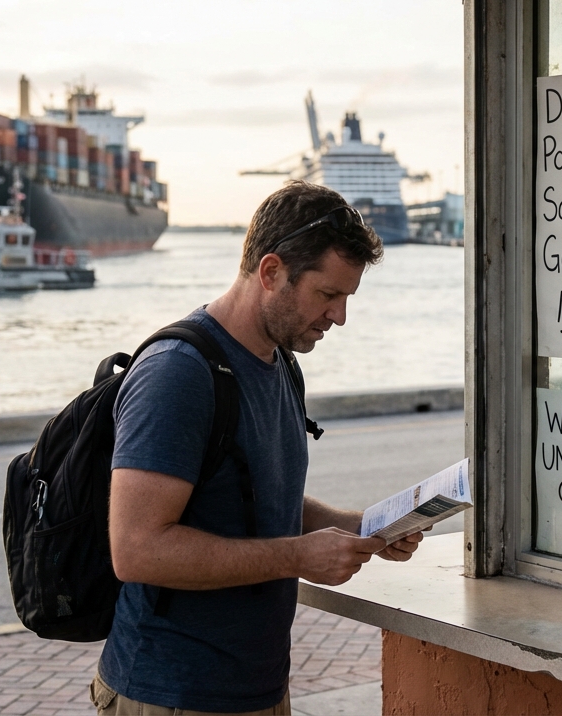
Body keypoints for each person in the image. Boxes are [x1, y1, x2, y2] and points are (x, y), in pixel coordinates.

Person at [90, 181, 425, 715]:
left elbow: (255, 499)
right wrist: (299, 556)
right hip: (170, 695)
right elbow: (136, 549)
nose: (340, 316)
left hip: (259, 690)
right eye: (327, 294)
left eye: (347, 298)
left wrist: (363, 527)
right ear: (270, 272)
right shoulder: (178, 373)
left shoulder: (281, 364)